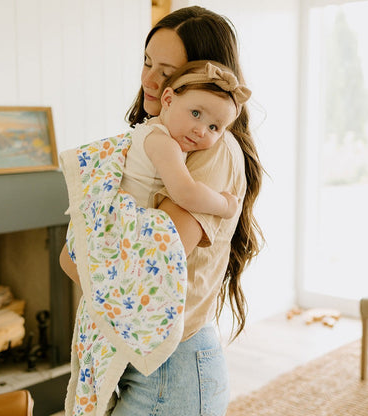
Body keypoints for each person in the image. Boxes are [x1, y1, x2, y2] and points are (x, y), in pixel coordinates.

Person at [60, 6, 263, 416]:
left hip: (174, 369)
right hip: (142, 358)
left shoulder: (213, 152)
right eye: (147, 62)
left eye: (166, 72)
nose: (150, 81)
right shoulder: (154, 142)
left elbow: (140, 266)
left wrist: (86, 250)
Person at [122, 60, 251, 221]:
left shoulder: (153, 129)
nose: (201, 131)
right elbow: (186, 194)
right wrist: (225, 205)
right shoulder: (163, 143)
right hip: (128, 224)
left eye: (213, 127)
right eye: (196, 114)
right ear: (168, 100)